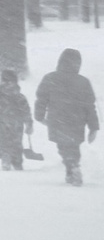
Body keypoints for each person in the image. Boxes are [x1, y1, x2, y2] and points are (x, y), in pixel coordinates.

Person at [33, 49, 99, 188]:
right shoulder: (83, 81)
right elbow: (90, 106)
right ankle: (72, 168)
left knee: (63, 146)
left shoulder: (50, 78)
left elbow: (41, 98)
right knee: (73, 146)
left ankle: (72, 167)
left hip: (58, 120)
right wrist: (93, 127)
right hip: (77, 121)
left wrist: (39, 116)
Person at [0, 70, 32, 170]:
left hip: (0, 123)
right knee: (16, 144)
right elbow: (26, 111)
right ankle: (17, 162)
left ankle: (5, 155)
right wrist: (29, 124)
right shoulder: (19, 96)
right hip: (16, 123)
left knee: (1, 142)